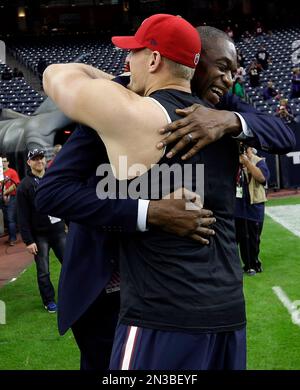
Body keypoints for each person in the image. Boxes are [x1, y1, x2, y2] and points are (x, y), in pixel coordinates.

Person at [40, 16, 296, 370]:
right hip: (110, 287)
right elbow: (55, 192)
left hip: (160, 306)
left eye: (233, 71)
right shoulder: (117, 109)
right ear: (194, 61)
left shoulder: (221, 117)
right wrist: (147, 211)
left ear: (156, 59)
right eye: (221, 67)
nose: (229, 78)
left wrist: (229, 121)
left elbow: (55, 74)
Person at [16, 149, 66, 313]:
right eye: (35, 159)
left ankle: (75, 294)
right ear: (29, 162)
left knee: (70, 264)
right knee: (43, 270)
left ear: (45, 160)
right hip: (39, 235)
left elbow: (64, 201)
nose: (39, 161)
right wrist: (28, 240)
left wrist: (70, 223)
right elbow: (22, 215)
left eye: (41, 158)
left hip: (58, 230)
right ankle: (49, 300)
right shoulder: (25, 186)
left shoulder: (54, 179)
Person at [235, 145, 270, 275]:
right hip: (236, 206)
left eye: (245, 148)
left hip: (254, 207)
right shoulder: (233, 162)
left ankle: (252, 264)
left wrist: (247, 163)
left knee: (252, 240)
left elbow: (261, 178)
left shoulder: (259, 161)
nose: (244, 151)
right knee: (234, 239)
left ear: (250, 149)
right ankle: (233, 267)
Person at [0, 155, 20, 245]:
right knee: (6, 218)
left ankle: (13, 238)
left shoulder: (12, 172)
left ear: (8, 162)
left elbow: (16, 184)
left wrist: (5, 192)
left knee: (10, 218)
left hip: (11, 197)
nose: (3, 163)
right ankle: (11, 236)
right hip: (1, 198)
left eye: (4, 161)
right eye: (1, 161)